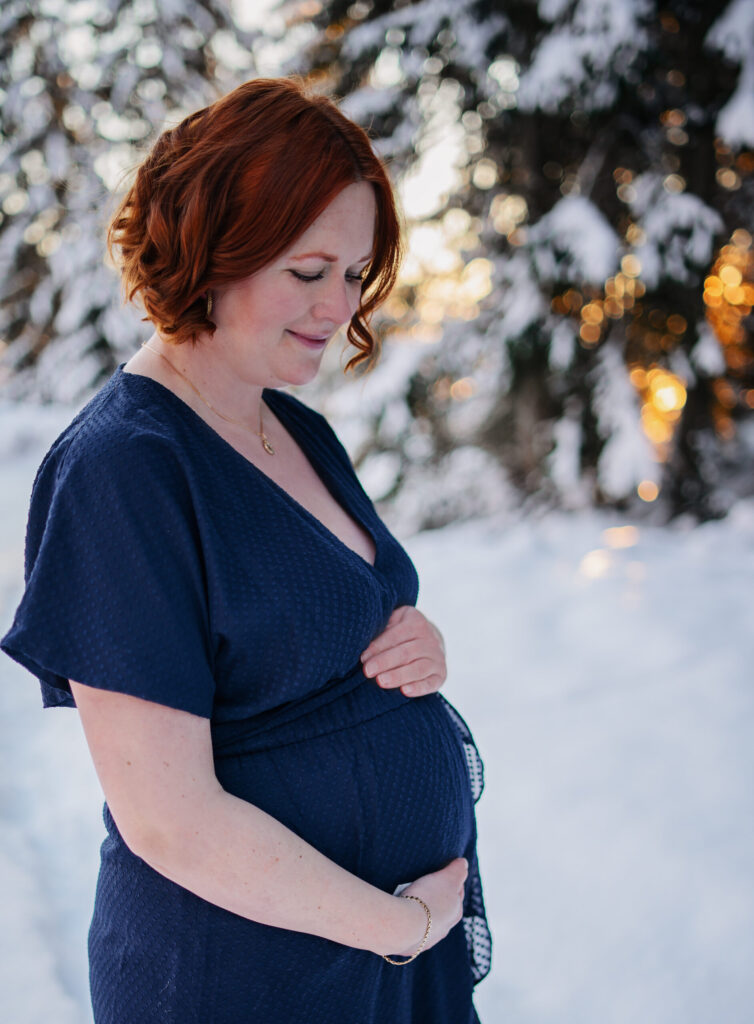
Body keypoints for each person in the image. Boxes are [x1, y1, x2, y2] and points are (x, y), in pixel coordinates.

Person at [0, 76, 490, 1023]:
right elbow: (171, 823)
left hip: (383, 954)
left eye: (353, 274)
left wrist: (416, 642)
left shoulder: (294, 430)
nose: (337, 306)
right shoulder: (124, 471)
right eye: (308, 272)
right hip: (246, 977)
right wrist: (395, 924)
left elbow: (323, 618)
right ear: (212, 249)